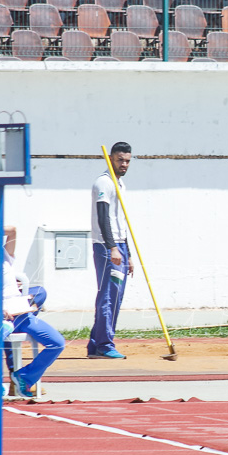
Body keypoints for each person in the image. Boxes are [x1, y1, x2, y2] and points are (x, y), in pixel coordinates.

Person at [0, 222, 65, 397]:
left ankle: (25, 376)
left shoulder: (5, 258)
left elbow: (12, 230)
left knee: (57, 343)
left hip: (21, 314)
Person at [88, 141, 134, 360]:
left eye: (127, 161)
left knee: (115, 295)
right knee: (109, 295)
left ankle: (95, 342)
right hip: (108, 246)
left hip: (121, 245)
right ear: (110, 159)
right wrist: (113, 247)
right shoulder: (103, 183)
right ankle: (104, 344)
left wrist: (129, 254)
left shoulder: (120, 184)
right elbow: (103, 217)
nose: (124, 164)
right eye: (120, 160)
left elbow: (121, 222)